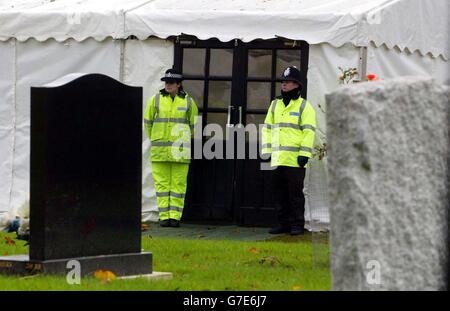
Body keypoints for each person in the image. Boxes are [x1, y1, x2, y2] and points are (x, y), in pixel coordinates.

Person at [261, 66, 316, 235]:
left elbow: (309, 131)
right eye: (283, 82)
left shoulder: (304, 107)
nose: (284, 85)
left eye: (288, 82)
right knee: (279, 195)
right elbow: (267, 129)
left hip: (294, 160)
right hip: (277, 158)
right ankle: (282, 224)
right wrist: (266, 151)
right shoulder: (275, 104)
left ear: (297, 85)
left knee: (295, 196)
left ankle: (297, 225)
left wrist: (304, 154)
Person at [144, 69, 198, 227]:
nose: (168, 85)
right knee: (161, 185)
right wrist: (157, 138)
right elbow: (148, 122)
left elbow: (194, 124)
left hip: (180, 152)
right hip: (160, 152)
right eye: (166, 82)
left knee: (178, 185)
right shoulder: (155, 100)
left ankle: (174, 217)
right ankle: (164, 216)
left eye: (171, 83)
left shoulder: (188, 102)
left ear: (178, 84)